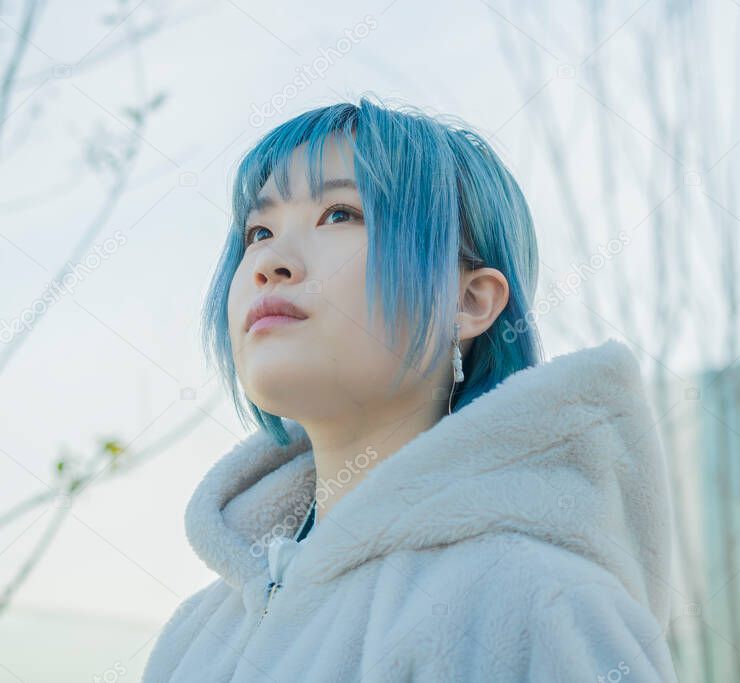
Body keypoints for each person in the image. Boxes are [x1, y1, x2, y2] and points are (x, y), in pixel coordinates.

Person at [141, 95, 677, 682]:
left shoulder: (536, 603)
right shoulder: (195, 639)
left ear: (469, 301)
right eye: (259, 230)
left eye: (340, 214)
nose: (271, 262)